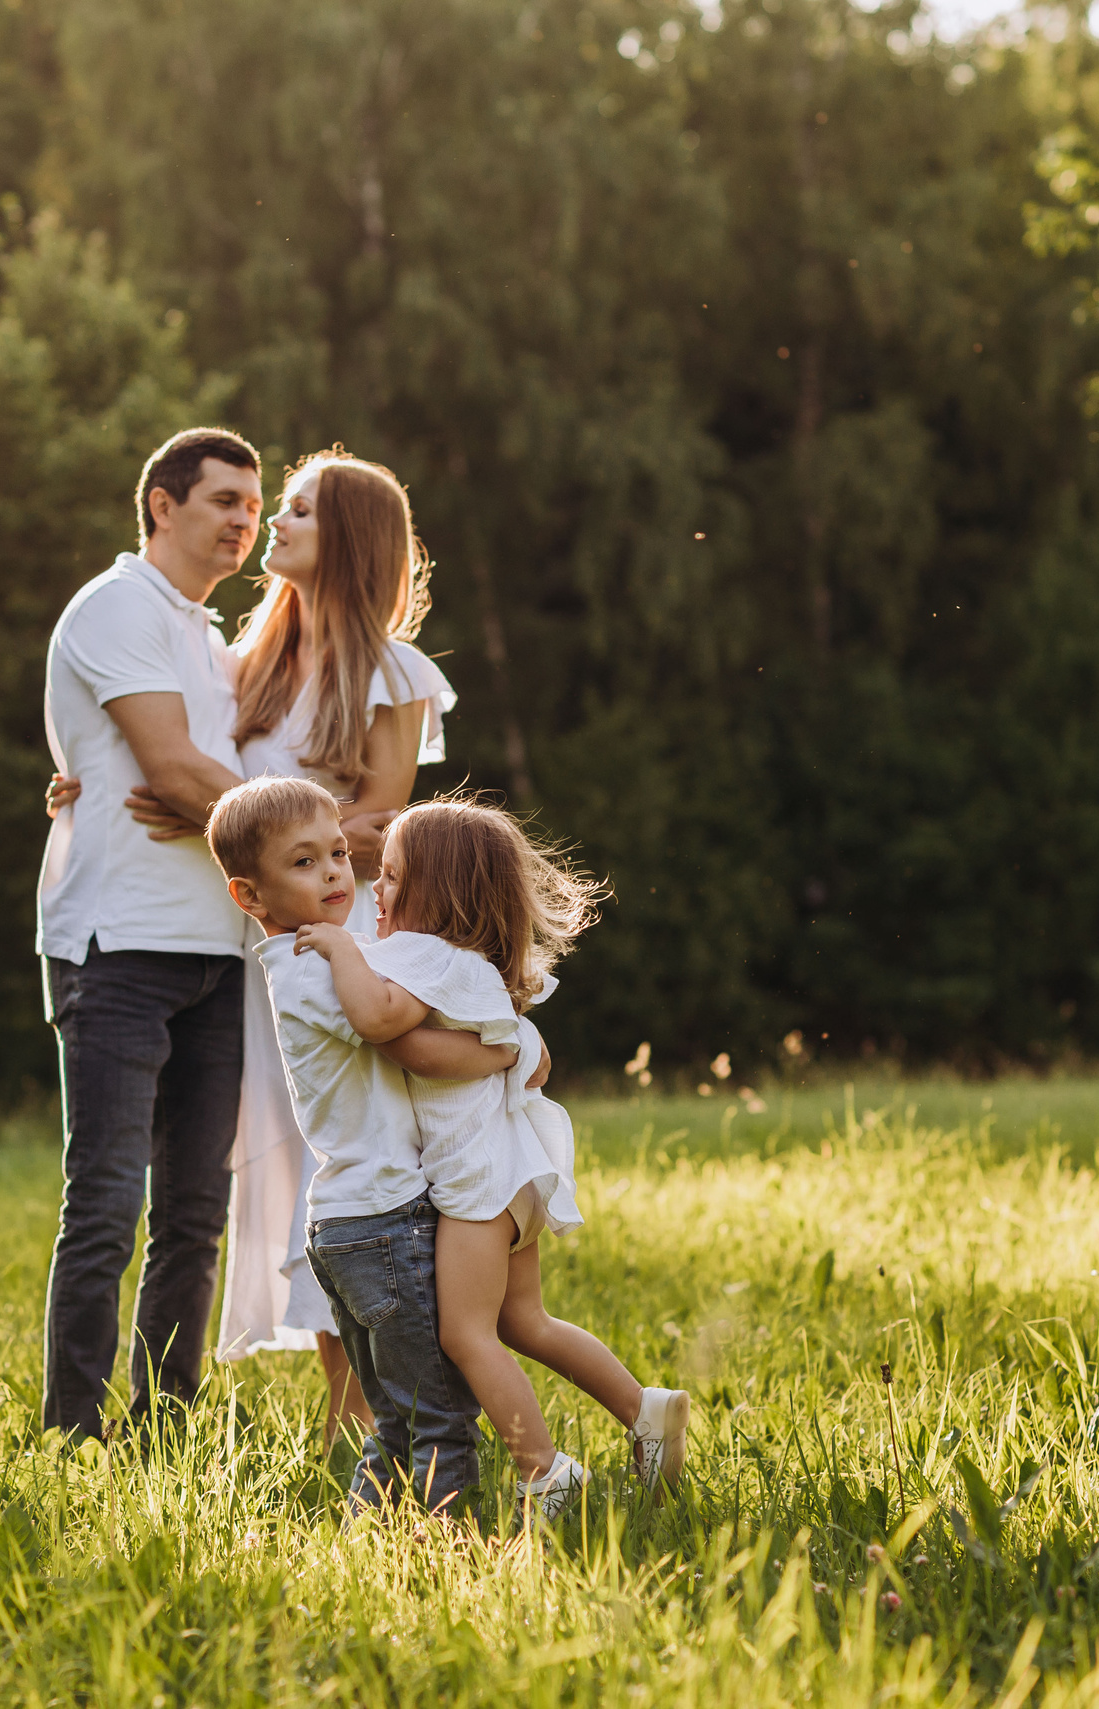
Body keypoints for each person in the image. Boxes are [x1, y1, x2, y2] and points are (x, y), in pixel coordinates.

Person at [49, 453, 454, 1443]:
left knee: (354, 1159)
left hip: (341, 942)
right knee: (293, 1171)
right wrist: (84, 777)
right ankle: (335, 1419)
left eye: (292, 508)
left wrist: (234, 821)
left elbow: (380, 828)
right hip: (255, 954)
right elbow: (170, 749)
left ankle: (373, 1418)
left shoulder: (393, 672)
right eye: (247, 503)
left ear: (348, 538)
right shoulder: (244, 662)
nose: (267, 521)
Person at [296, 798, 691, 1510]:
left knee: (466, 1334)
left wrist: (340, 948)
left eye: (392, 876)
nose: (375, 888)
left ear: (437, 893)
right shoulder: (471, 962)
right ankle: (644, 1410)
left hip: (476, 1183)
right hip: (517, 1175)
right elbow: (509, 1052)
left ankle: (546, 1475)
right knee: (524, 1322)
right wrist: (510, 1050)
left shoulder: (422, 954)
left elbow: (386, 1026)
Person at [33, 426, 267, 1441]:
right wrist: (304, 835)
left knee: (193, 1216)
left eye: (253, 506)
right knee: (103, 1206)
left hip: (217, 948)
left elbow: (196, 778)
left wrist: (234, 811)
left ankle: (163, 1429)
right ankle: (71, 1438)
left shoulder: (210, 641)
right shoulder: (117, 604)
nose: (244, 521)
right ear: (162, 505)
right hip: (117, 946)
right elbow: (171, 770)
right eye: (224, 500)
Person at [202, 775, 522, 1512]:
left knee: (397, 1416)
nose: (334, 873)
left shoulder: (330, 954)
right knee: (439, 1409)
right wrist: (502, 1043)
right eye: (304, 862)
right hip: (384, 1218)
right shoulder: (311, 965)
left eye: (339, 853)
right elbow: (391, 1018)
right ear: (250, 896)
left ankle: (367, 1526)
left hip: (357, 1219)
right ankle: (446, 1542)